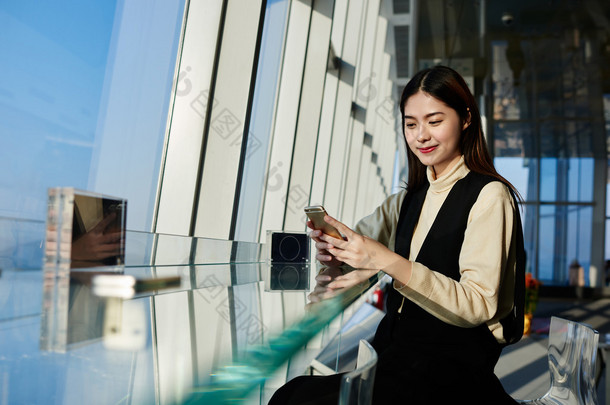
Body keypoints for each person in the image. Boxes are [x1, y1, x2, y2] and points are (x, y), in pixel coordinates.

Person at [268, 65, 525, 405]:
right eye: (410, 123)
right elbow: (355, 262)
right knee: (291, 393)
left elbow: (478, 304)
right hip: (394, 359)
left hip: (451, 372)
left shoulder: (490, 196)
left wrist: (385, 260)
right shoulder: (407, 199)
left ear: (465, 119)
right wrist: (335, 262)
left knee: (299, 400)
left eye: (435, 121)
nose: (421, 135)